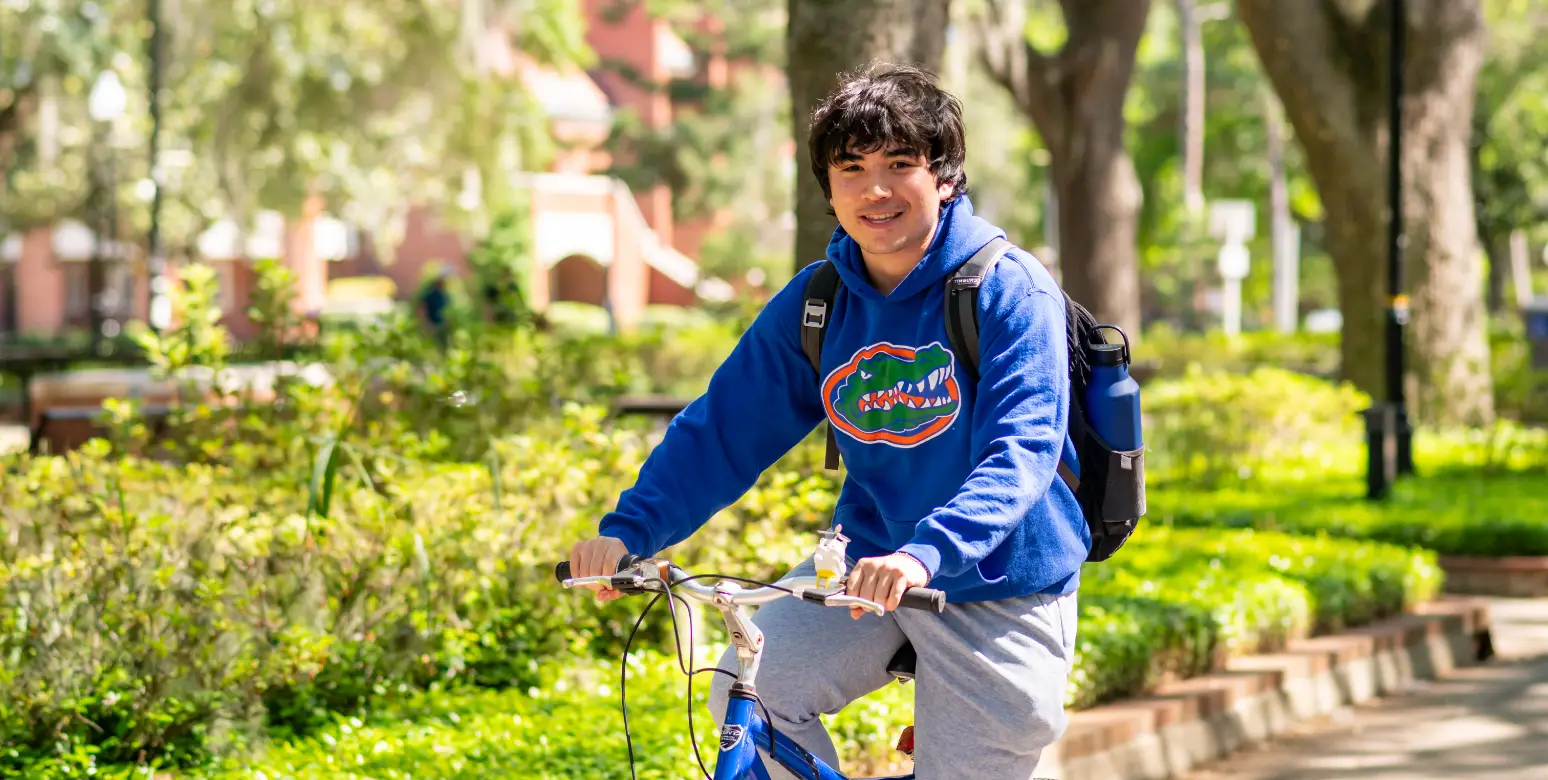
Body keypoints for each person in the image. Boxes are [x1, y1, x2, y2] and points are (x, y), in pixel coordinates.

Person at [566, 62, 1088, 778]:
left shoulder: (1008, 290)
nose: (875, 189)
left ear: (945, 177)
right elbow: (722, 431)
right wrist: (628, 531)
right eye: (852, 169)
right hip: (866, 574)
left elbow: (1021, 453)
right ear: (829, 190)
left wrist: (923, 553)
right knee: (747, 693)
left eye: (900, 164)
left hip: (1000, 583)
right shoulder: (818, 302)